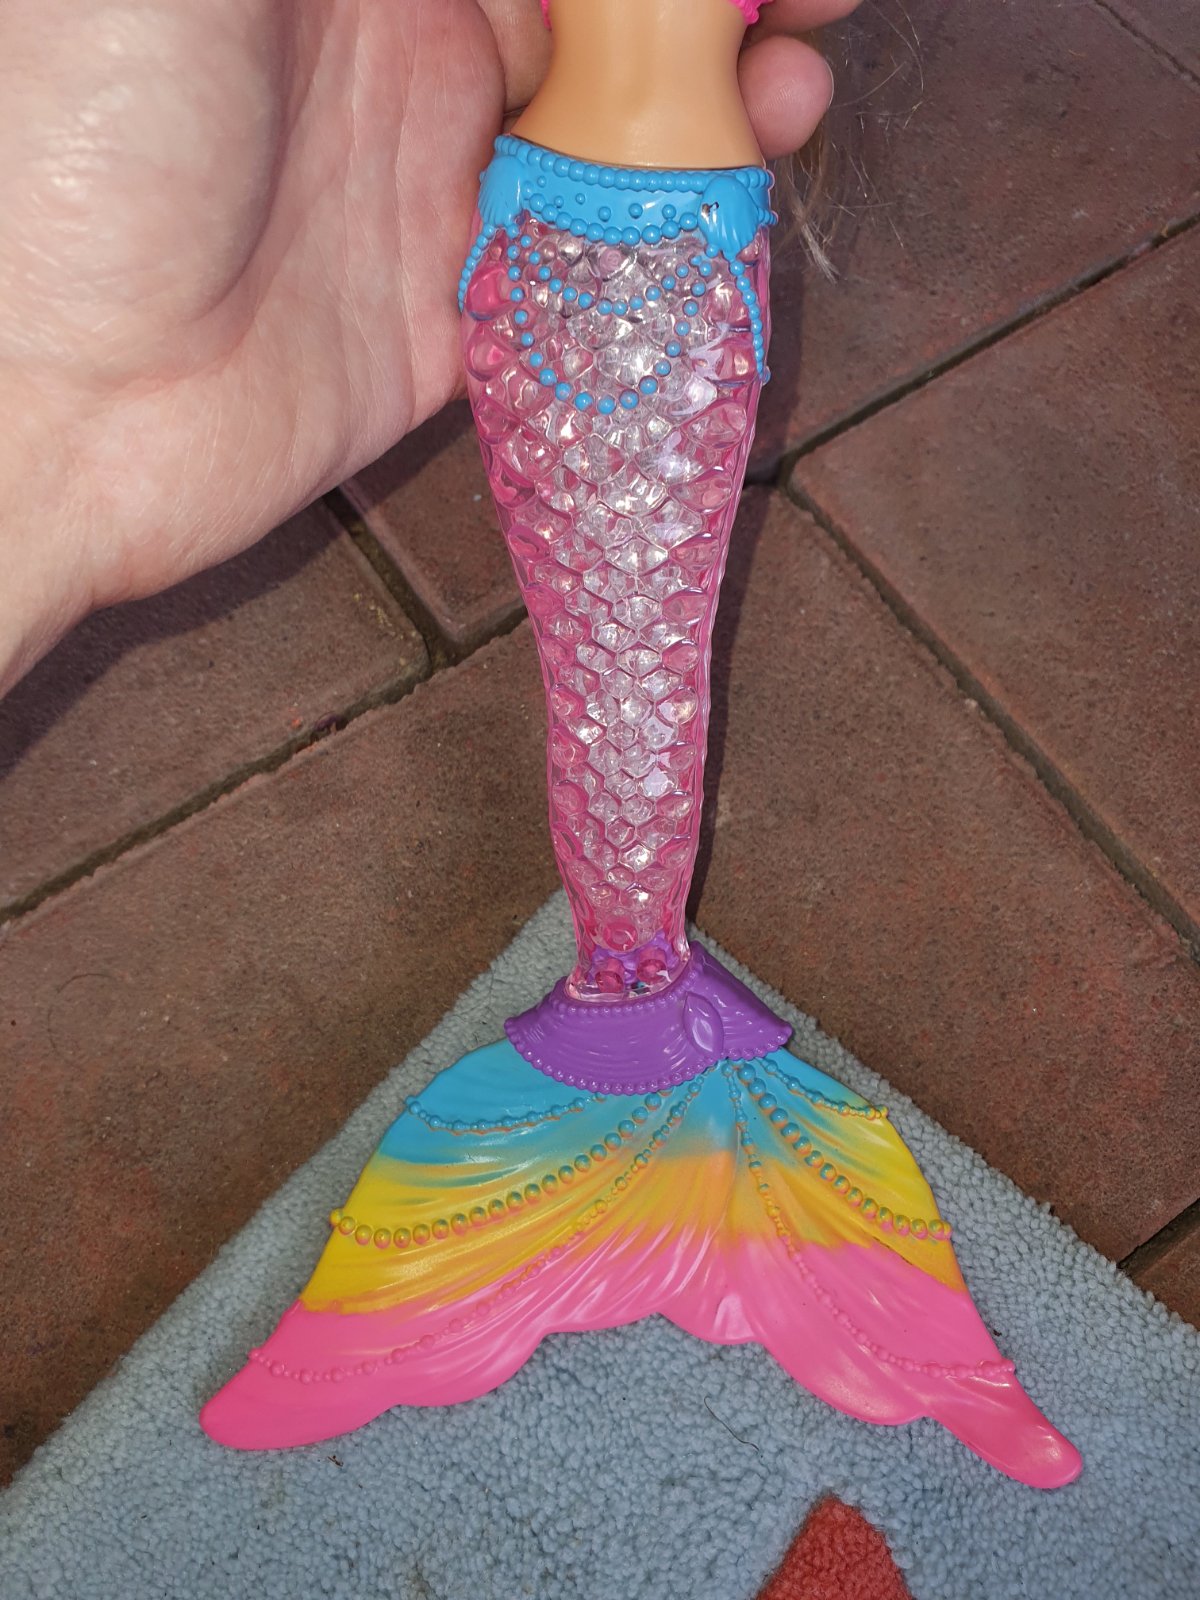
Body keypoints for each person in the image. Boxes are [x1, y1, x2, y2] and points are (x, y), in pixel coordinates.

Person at [0, 0, 845, 699]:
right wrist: (53, 400)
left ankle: (633, 864)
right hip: (581, 221)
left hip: (648, 229)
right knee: (598, 645)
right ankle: (619, 862)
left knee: (650, 637)